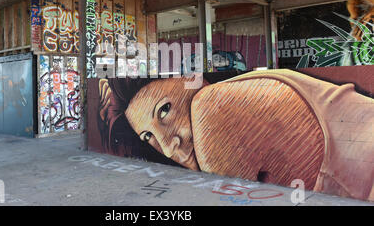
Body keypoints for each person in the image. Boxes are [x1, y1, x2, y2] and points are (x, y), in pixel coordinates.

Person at [98, 69, 373, 201]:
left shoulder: (212, 107)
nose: (169, 147)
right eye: (148, 136)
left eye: (165, 110)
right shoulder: (238, 90)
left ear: (194, 80)